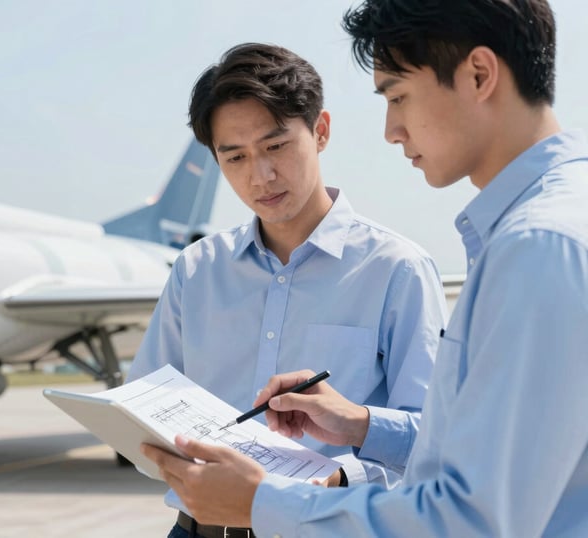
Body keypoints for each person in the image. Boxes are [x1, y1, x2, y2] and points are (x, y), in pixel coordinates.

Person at [141, 1, 588, 536]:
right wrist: (362, 423)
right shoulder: (543, 230)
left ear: (479, 74)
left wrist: (264, 503)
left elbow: (471, 520)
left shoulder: (537, 246)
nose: (391, 130)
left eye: (397, 96)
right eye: (234, 156)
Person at [127, 42, 447, 537]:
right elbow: (144, 406)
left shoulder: (396, 269)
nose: (260, 176)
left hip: (324, 523)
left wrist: (343, 476)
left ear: (320, 131)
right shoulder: (195, 270)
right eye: (235, 157)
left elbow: (435, 435)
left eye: (275, 146)